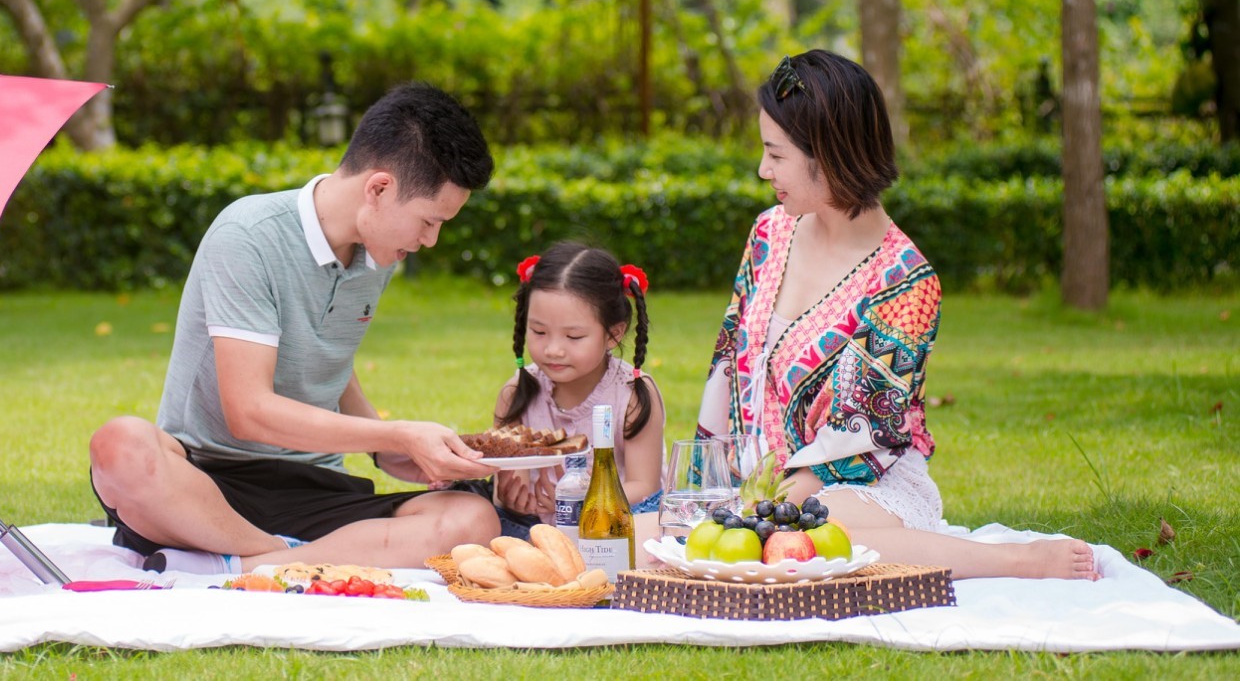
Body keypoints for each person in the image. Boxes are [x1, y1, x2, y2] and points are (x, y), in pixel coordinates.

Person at [694, 49, 1099, 580]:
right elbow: (728, 363)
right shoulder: (769, 233)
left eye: (776, 153)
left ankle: (1019, 561)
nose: (763, 169)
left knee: (816, 539)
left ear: (831, 154)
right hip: (758, 481)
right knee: (667, 533)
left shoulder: (905, 281)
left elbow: (864, 437)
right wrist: (711, 486)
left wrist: (762, 510)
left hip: (861, 486)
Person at [88, 83, 501, 574]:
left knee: (471, 518)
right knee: (121, 446)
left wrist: (386, 449)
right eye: (429, 221)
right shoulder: (248, 236)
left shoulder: (381, 255)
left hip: (310, 487)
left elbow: (327, 356)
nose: (430, 241)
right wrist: (398, 435)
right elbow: (249, 412)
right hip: (206, 479)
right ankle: (283, 557)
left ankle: (240, 563)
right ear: (379, 188)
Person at [459, 242, 666, 542]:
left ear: (614, 334)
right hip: (536, 528)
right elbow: (508, 481)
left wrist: (580, 501)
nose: (553, 349)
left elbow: (643, 485)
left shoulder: (632, 394)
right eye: (539, 332)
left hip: (615, 526)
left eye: (574, 336)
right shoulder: (518, 392)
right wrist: (514, 498)